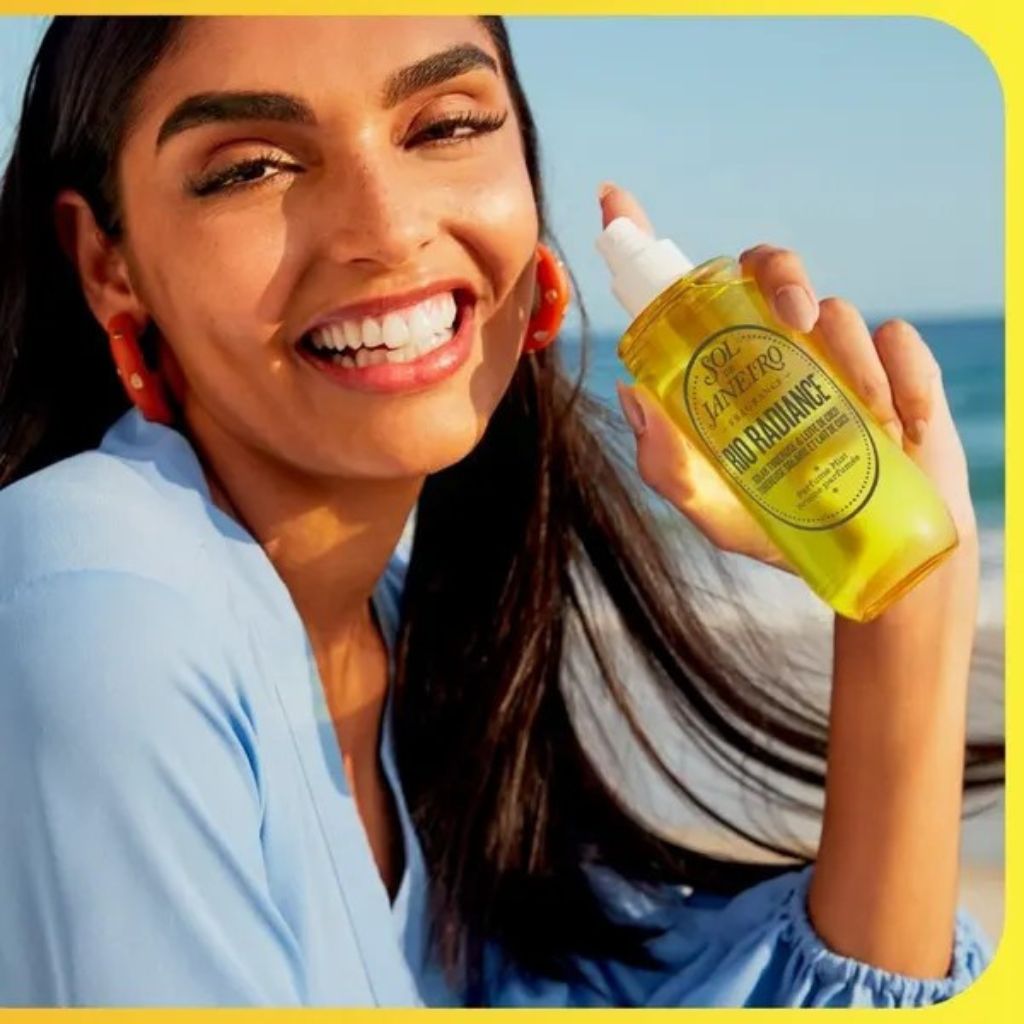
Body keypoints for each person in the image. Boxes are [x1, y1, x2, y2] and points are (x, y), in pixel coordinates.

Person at [0, 14, 1003, 1008]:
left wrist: (903, 582)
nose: (388, 230)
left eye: (445, 127)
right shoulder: (106, 618)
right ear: (106, 264)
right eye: (252, 167)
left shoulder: (414, 640)